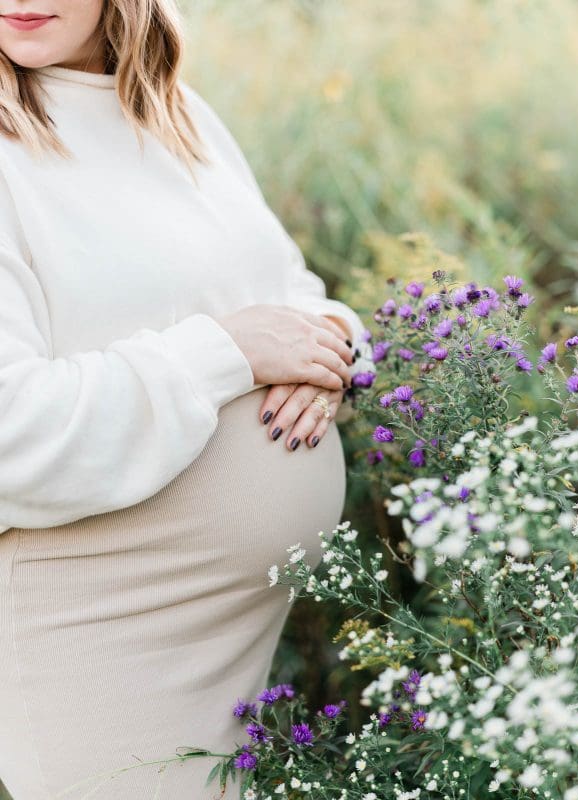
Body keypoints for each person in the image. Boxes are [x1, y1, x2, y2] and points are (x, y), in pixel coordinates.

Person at [0, 2, 368, 798]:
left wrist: (327, 357)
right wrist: (228, 353)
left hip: (233, 654)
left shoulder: (179, 116)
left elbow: (295, 295)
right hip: (97, 652)